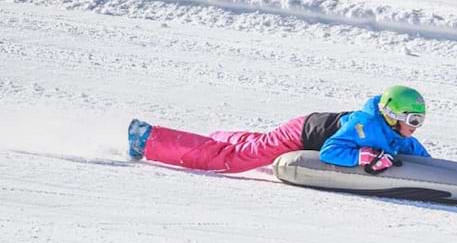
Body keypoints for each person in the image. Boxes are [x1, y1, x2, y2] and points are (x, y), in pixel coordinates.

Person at [127, 85, 431, 175]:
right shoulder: (364, 127)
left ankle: (223, 135)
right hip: (299, 134)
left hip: (311, 125)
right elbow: (331, 152)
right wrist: (363, 156)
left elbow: (416, 153)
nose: (415, 128)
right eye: (412, 120)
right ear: (392, 115)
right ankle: (148, 138)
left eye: (420, 121)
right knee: (231, 161)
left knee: (254, 145)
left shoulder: (394, 132)